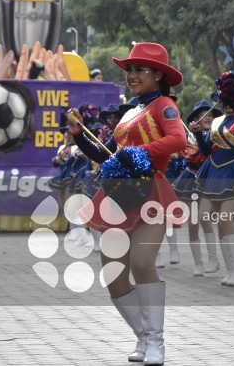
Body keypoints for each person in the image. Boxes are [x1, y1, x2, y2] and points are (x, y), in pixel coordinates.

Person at [68, 42, 186, 365]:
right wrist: (79, 135)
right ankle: (144, 337)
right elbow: (105, 152)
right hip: (117, 196)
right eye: (129, 70)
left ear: (159, 75)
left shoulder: (164, 106)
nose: (132, 75)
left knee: (142, 263)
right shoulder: (129, 112)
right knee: (114, 273)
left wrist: (139, 153)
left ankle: (156, 343)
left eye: (140, 69)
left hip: (152, 191)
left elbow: (179, 139)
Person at [190, 99, 234, 286]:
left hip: (231, 171)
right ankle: (231, 269)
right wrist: (198, 134)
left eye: (231, 97)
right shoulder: (217, 121)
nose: (228, 102)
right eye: (225, 99)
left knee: (225, 219)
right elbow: (206, 149)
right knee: (220, 223)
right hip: (213, 172)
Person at [173, 101, 220, 275]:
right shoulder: (187, 137)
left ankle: (213, 259)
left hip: (209, 180)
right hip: (190, 180)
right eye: (202, 115)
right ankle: (198, 263)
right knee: (193, 222)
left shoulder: (218, 134)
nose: (207, 118)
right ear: (194, 120)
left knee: (205, 219)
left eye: (210, 115)